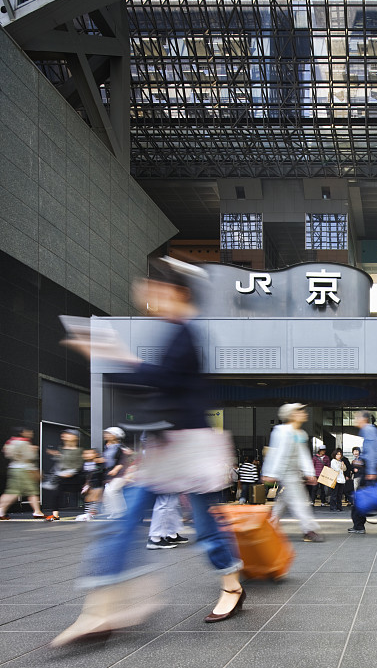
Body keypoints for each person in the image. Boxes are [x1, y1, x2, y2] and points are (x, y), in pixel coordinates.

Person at [54, 257, 245, 646]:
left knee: (206, 527)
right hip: (168, 446)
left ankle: (231, 586)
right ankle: (103, 609)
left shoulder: (188, 333)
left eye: (155, 293)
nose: (149, 302)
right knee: (123, 522)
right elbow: (159, 385)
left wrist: (114, 356)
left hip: (191, 448)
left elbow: (165, 381)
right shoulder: (177, 330)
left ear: (177, 293)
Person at [262, 403, 325, 543]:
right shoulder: (281, 431)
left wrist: (309, 472)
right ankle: (308, 530)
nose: (304, 413)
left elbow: (303, 454)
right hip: (284, 473)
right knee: (299, 501)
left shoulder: (300, 433)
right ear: (292, 415)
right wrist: (271, 473)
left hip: (294, 472)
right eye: (300, 411)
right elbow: (276, 454)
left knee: (284, 500)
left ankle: (269, 525)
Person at [0, 427, 45, 519]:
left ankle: (1, 510)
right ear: (22, 432)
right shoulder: (24, 443)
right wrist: (34, 450)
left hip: (13, 468)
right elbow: (29, 457)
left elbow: (7, 454)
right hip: (25, 470)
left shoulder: (11, 441)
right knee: (32, 491)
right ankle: (37, 511)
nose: (31, 433)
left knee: (12, 492)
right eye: (29, 431)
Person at [45, 429, 83, 521]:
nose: (65, 435)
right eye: (65, 434)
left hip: (75, 476)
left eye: (69, 434)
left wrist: (72, 472)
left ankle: (92, 511)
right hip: (62, 476)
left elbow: (79, 464)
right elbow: (59, 463)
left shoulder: (79, 450)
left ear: (75, 438)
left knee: (84, 493)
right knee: (56, 493)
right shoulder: (60, 449)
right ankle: (55, 515)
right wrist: (55, 454)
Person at [102, 427, 129, 519]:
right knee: (108, 493)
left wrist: (116, 469)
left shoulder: (121, 447)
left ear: (115, 436)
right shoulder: (107, 446)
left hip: (121, 474)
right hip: (110, 473)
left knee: (112, 491)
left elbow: (124, 461)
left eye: (109, 433)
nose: (106, 435)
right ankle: (114, 512)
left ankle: (121, 511)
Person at [75, 448, 105, 520]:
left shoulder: (99, 464)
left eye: (90, 453)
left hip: (97, 484)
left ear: (96, 455)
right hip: (88, 485)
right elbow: (82, 475)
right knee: (88, 499)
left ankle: (93, 513)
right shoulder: (83, 465)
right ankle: (88, 513)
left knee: (95, 499)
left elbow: (101, 473)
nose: (87, 455)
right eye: (85, 454)